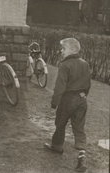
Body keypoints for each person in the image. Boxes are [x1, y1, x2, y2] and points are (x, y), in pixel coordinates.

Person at [44, 38, 90, 173]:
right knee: (79, 128)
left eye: (63, 49)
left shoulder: (65, 65)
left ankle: (57, 145)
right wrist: (83, 95)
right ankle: (82, 156)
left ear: (71, 50)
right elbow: (88, 84)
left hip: (68, 99)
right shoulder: (85, 64)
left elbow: (59, 87)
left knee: (60, 122)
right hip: (82, 99)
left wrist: (54, 103)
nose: (61, 51)